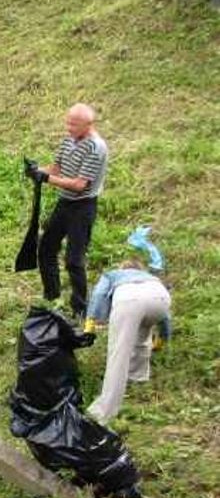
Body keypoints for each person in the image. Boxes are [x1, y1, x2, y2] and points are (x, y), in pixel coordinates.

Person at [24, 103, 109, 316]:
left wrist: (47, 179)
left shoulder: (96, 148)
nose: (69, 128)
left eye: (74, 125)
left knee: (74, 260)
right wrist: (36, 170)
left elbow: (80, 185)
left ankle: (80, 308)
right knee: (46, 247)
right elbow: (55, 169)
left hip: (83, 207)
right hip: (65, 203)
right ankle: (52, 296)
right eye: (68, 123)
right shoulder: (69, 140)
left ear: (88, 125)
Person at [84, 259, 171, 424]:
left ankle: (103, 413)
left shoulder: (113, 275)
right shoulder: (151, 279)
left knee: (119, 354)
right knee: (143, 330)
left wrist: (91, 323)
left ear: (123, 268)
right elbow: (166, 317)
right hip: (161, 299)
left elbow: (99, 295)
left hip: (129, 300)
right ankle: (137, 377)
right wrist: (162, 339)